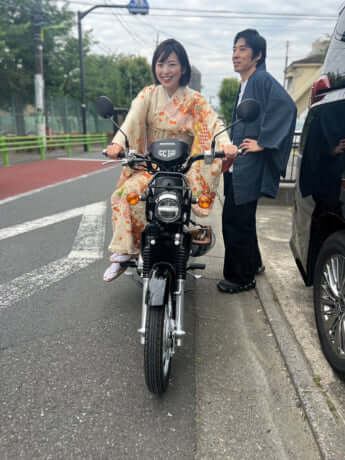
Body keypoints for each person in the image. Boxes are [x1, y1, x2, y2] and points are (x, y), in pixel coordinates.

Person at [103, 38, 238, 281]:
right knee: (125, 195)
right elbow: (132, 119)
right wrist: (117, 143)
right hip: (152, 167)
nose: (165, 71)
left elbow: (213, 123)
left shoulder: (195, 100)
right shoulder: (148, 95)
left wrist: (226, 144)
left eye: (172, 64)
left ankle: (184, 241)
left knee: (185, 206)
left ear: (183, 68)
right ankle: (125, 252)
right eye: (160, 64)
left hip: (184, 168)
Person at [217, 29, 297, 294]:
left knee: (235, 220)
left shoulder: (261, 79)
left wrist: (263, 142)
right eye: (234, 49)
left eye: (242, 49)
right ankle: (255, 263)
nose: (235, 55)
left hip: (249, 165)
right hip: (239, 163)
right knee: (244, 219)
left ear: (258, 54)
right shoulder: (246, 83)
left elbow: (287, 107)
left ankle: (242, 278)